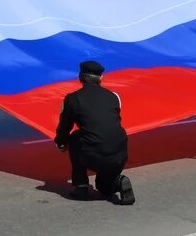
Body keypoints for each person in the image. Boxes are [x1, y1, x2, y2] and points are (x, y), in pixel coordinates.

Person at [54, 60, 135, 204]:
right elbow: (108, 125)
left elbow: (65, 125)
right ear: (101, 78)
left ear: (80, 76)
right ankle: (120, 181)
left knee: (74, 137)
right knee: (104, 187)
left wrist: (61, 143)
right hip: (119, 154)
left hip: (94, 153)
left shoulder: (73, 98)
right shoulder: (113, 97)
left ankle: (80, 185)